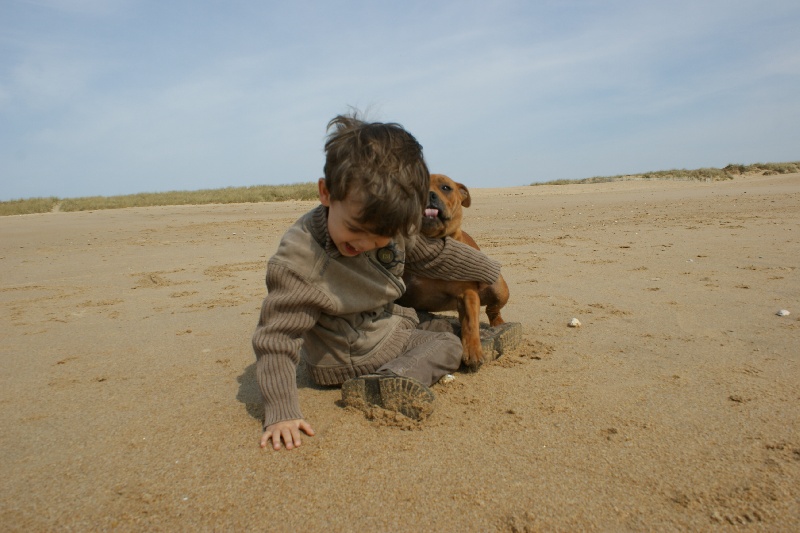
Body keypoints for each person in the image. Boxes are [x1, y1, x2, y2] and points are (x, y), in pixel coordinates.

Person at [252, 112, 504, 451]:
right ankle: (390, 380)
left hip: (382, 324)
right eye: (357, 230)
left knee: (442, 324)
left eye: (383, 236)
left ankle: (481, 334)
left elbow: (432, 254)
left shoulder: (390, 219)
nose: (367, 244)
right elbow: (278, 337)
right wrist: (281, 412)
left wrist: (489, 270)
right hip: (350, 354)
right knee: (448, 345)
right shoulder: (300, 259)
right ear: (327, 193)